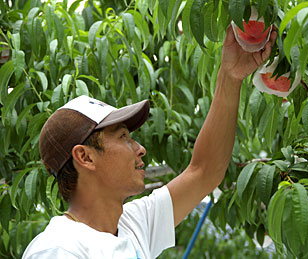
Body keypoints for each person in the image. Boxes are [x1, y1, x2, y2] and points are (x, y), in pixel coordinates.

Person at [22, 25, 277, 259]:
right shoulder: (58, 249)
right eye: (123, 137)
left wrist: (230, 77)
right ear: (85, 157)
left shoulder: (131, 225)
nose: (140, 149)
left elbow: (204, 171)